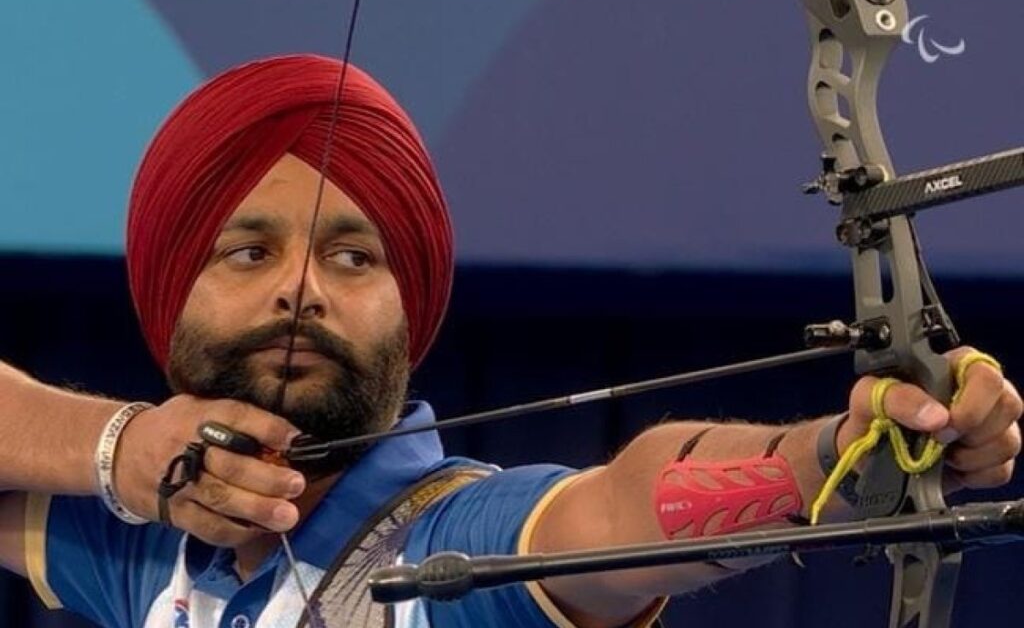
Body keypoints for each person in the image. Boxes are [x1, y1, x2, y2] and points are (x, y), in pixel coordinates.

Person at [0, 54, 1018, 628]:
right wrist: (118, 449)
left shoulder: (449, 544)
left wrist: (837, 456)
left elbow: (620, 508)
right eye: (248, 251)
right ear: (169, 295)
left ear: (411, 309)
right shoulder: (148, 552)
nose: (300, 290)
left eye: (354, 256)